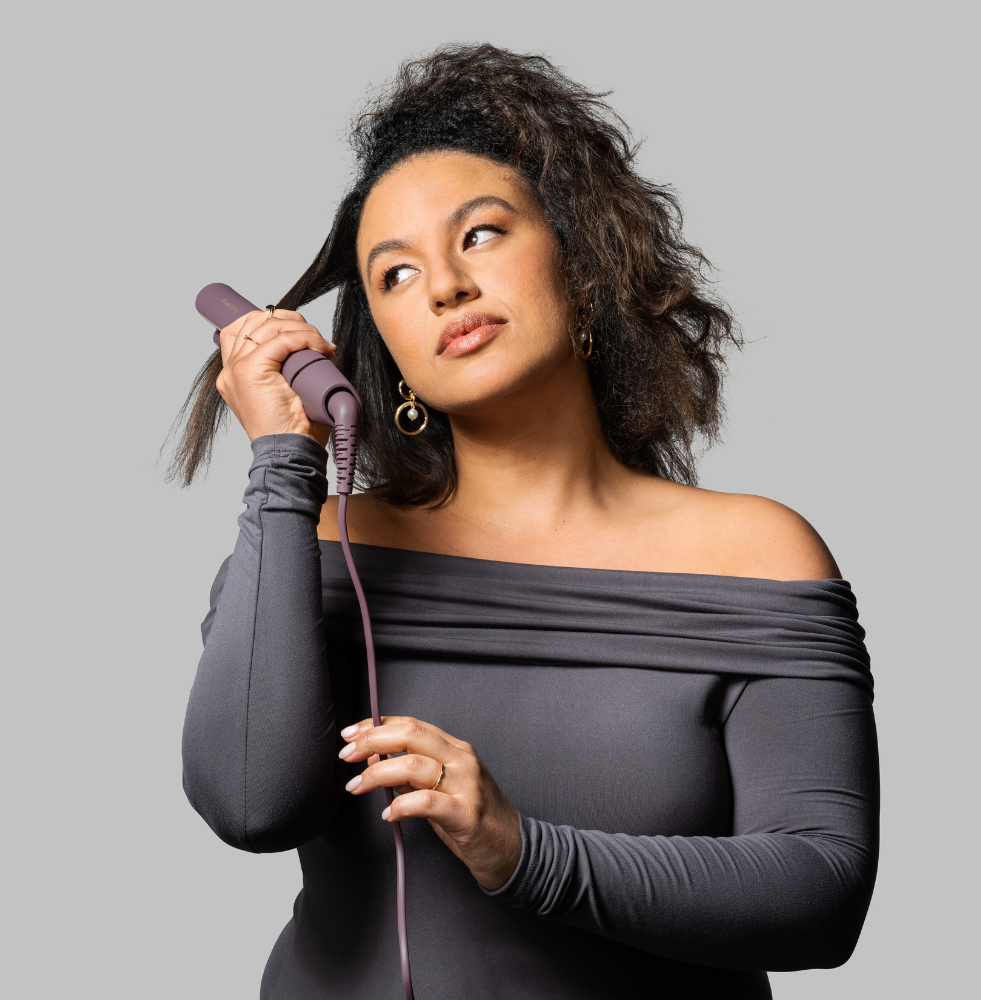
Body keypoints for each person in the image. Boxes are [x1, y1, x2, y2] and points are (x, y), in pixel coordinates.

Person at [173, 44, 878, 1000]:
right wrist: (280, 466)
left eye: (480, 235)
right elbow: (251, 806)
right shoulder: (326, 545)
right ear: (388, 348)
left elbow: (821, 893)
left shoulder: (755, 555)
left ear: (580, 266)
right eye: (395, 275)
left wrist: (521, 852)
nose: (445, 287)